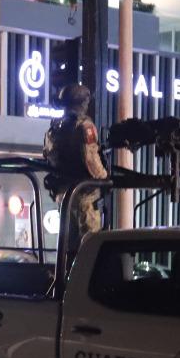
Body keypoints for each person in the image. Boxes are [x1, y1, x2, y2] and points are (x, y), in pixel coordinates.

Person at [41, 82, 109, 248]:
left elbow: (48, 155)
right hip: (83, 194)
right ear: (81, 103)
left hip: (64, 193)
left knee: (68, 244)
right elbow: (90, 158)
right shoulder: (84, 126)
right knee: (90, 244)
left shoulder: (55, 127)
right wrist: (105, 178)